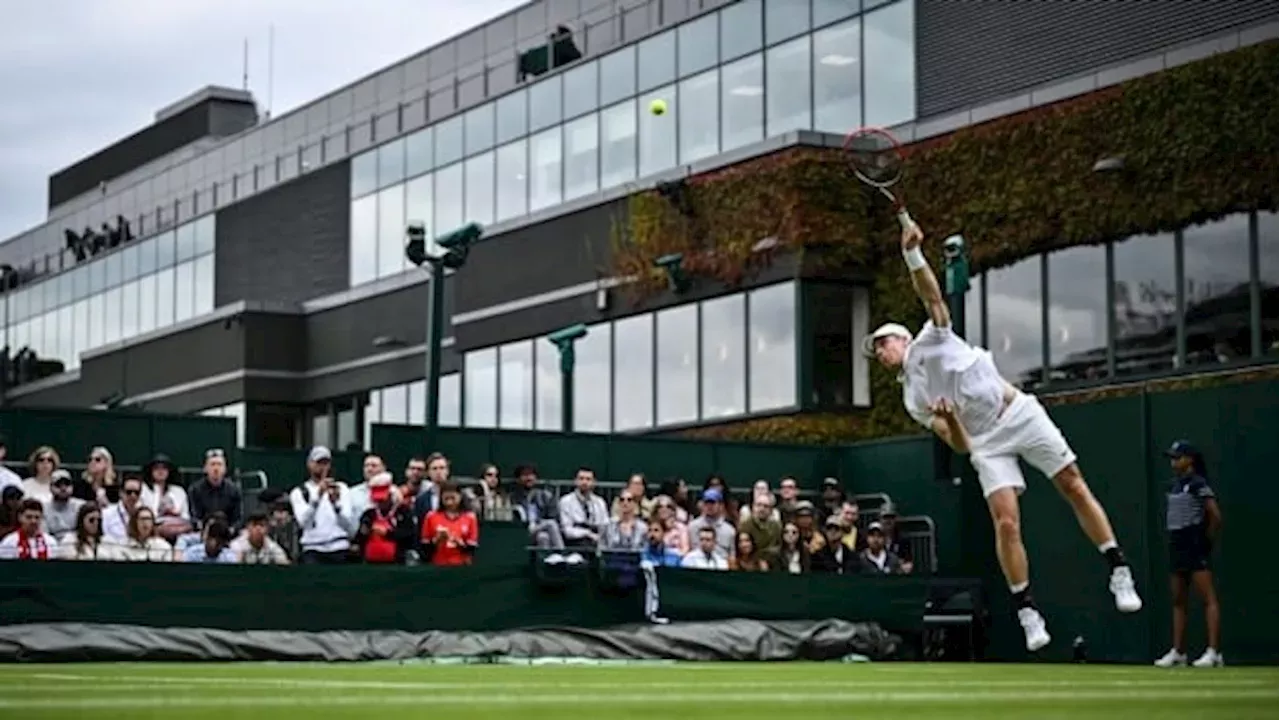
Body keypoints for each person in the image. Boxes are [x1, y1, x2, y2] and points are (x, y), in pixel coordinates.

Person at [863, 218, 1142, 652]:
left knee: (1072, 483)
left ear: (901, 337)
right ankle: (1028, 611)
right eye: (875, 352)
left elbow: (930, 293)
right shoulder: (913, 399)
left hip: (1020, 414)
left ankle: (1117, 568)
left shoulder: (934, 337)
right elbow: (959, 444)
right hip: (985, 441)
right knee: (1007, 522)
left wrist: (912, 253)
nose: (879, 353)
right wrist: (952, 419)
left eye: (881, 343)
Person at [1154, 441, 1224, 668]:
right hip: (1177, 544)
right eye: (1172, 458)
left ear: (1190, 460)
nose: (1174, 462)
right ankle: (1179, 652)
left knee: (1207, 598)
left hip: (1194, 543)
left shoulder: (1198, 483)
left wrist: (1205, 541)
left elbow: (1214, 515)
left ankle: (1213, 653)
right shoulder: (1174, 485)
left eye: (1178, 457)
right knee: (1178, 600)